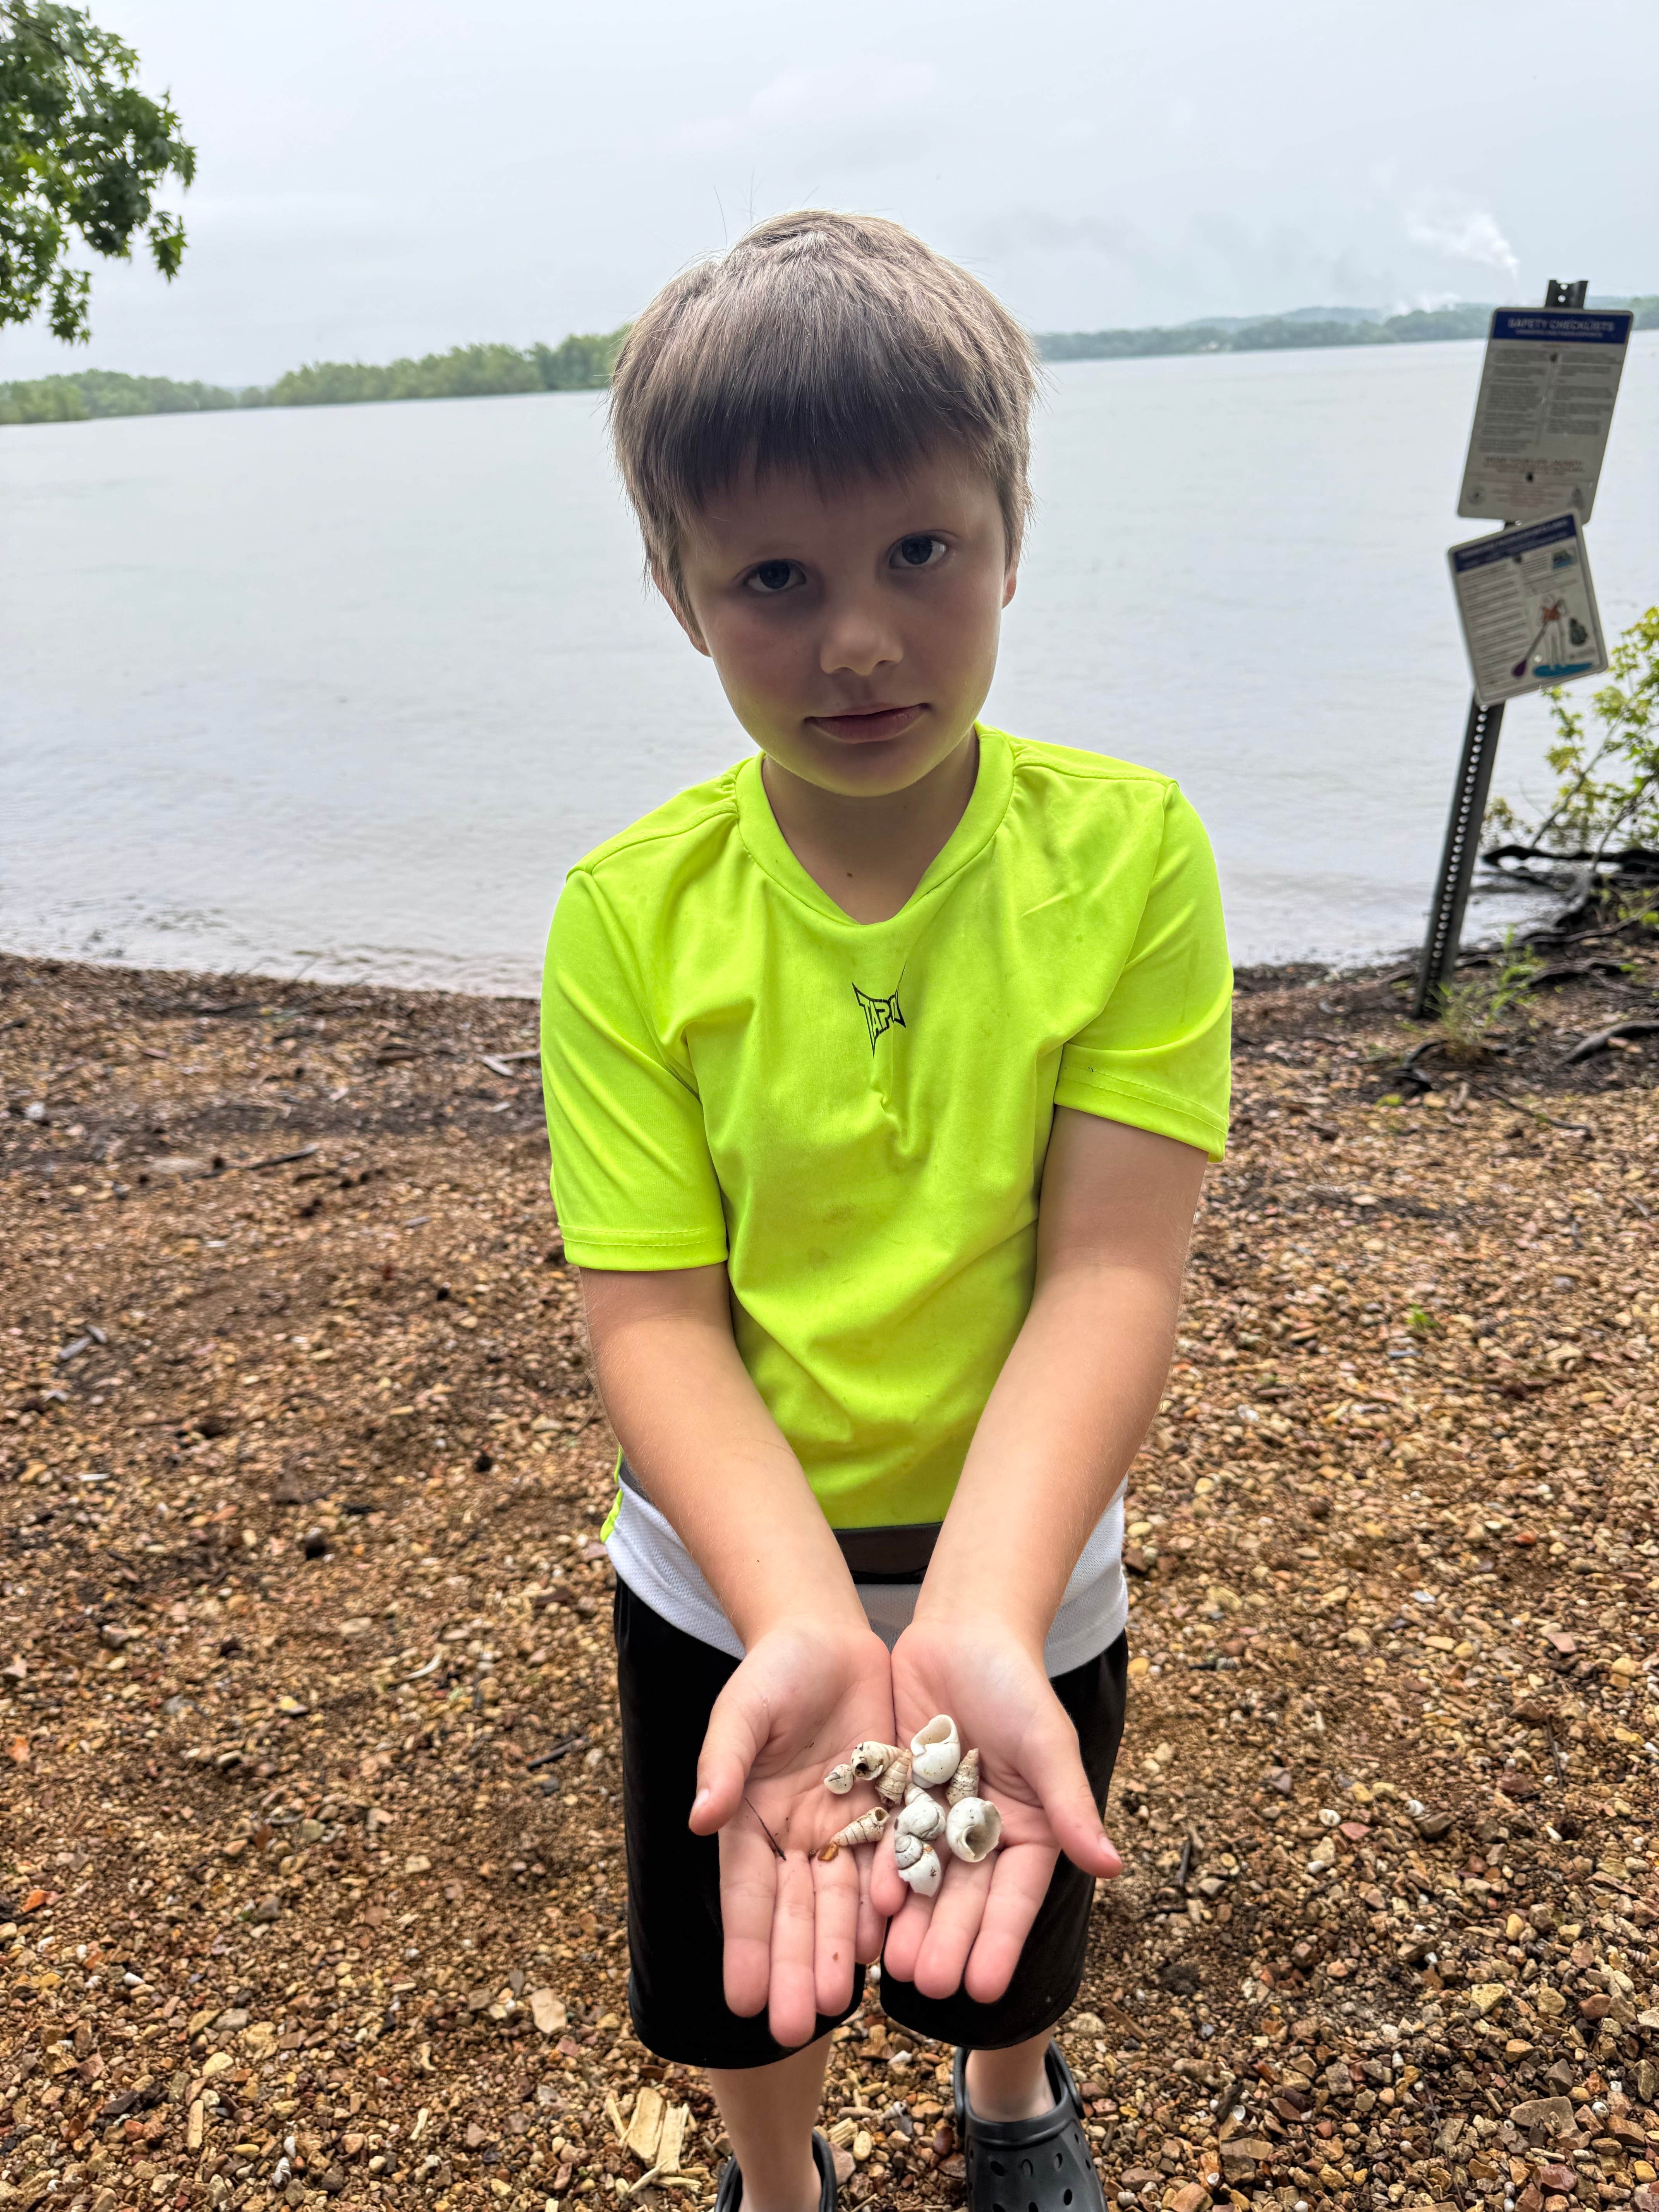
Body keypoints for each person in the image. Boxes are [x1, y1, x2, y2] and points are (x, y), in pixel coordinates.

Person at [540, 209, 1232, 2212]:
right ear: (680, 595)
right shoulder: (627, 918)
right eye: (776, 577)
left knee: (1009, 1886)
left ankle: (1010, 2102)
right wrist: (803, 1618)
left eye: (920, 553)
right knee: (747, 1977)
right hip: (725, 1575)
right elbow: (654, 1319)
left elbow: (1109, 1270)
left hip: (1025, 1544)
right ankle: (781, 2176)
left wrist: (988, 1609)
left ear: (1012, 531)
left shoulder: (1129, 860)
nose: (858, 638)